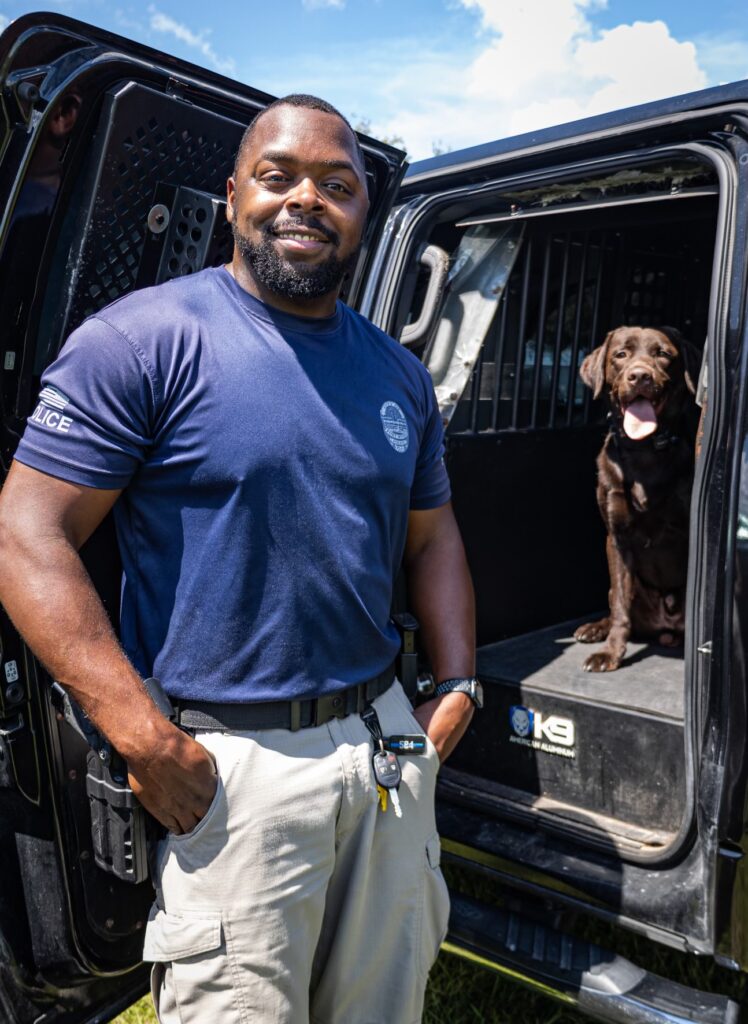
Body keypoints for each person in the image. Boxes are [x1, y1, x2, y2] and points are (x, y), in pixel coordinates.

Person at [0, 94, 477, 1024]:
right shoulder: (141, 341)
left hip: (384, 753)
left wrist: (457, 687)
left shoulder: (397, 374)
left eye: (337, 186)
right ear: (231, 197)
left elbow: (437, 535)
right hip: (231, 772)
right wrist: (142, 738)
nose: (308, 200)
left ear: (363, 220)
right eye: (279, 177)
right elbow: (26, 533)